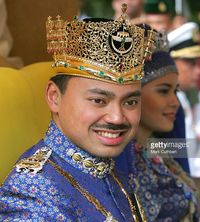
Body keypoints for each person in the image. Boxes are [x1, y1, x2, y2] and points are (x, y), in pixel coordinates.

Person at [0, 5, 156, 221]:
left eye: (130, 102)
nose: (117, 117)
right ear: (54, 97)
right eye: (98, 100)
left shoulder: (109, 168)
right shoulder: (32, 195)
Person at [115, 37, 199, 221]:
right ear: (133, 95)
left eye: (176, 91)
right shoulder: (124, 162)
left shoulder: (154, 146)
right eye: (163, 91)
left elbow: (189, 152)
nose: (175, 102)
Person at [168, 22, 200, 178]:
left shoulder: (184, 96)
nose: (198, 70)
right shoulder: (169, 100)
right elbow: (148, 147)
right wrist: (193, 145)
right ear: (172, 62)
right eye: (190, 63)